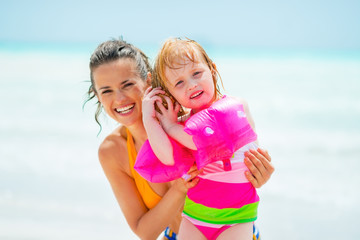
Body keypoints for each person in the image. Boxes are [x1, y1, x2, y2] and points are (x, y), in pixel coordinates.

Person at [86, 38, 274, 240]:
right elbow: (144, 232)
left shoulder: (189, 120)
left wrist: (259, 173)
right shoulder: (113, 151)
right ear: (96, 95)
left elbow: (239, 154)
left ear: (150, 82)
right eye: (106, 90)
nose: (120, 98)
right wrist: (178, 189)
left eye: (128, 84)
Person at [140, 37, 266, 240]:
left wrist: (171, 126)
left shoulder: (234, 107)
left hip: (237, 217)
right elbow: (167, 158)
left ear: (212, 70)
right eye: (179, 83)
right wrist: (150, 119)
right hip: (195, 216)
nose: (191, 85)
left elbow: (204, 139)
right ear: (171, 93)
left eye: (197, 73)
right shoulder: (182, 127)